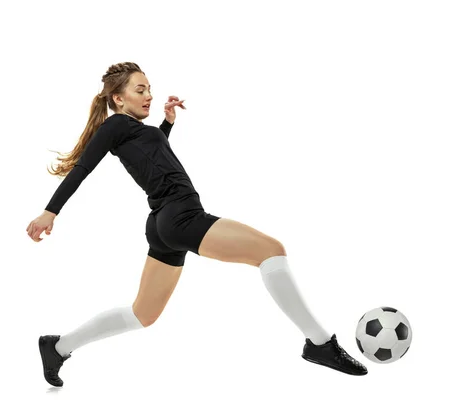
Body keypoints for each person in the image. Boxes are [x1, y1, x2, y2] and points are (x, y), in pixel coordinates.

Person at [27, 62, 367, 387]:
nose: (149, 95)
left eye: (150, 89)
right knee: (272, 251)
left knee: (142, 314)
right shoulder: (114, 126)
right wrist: (50, 212)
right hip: (181, 215)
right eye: (140, 89)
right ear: (118, 98)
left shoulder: (132, 131)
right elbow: (84, 167)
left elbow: (153, 160)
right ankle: (319, 343)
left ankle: (57, 347)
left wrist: (167, 124)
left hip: (164, 224)